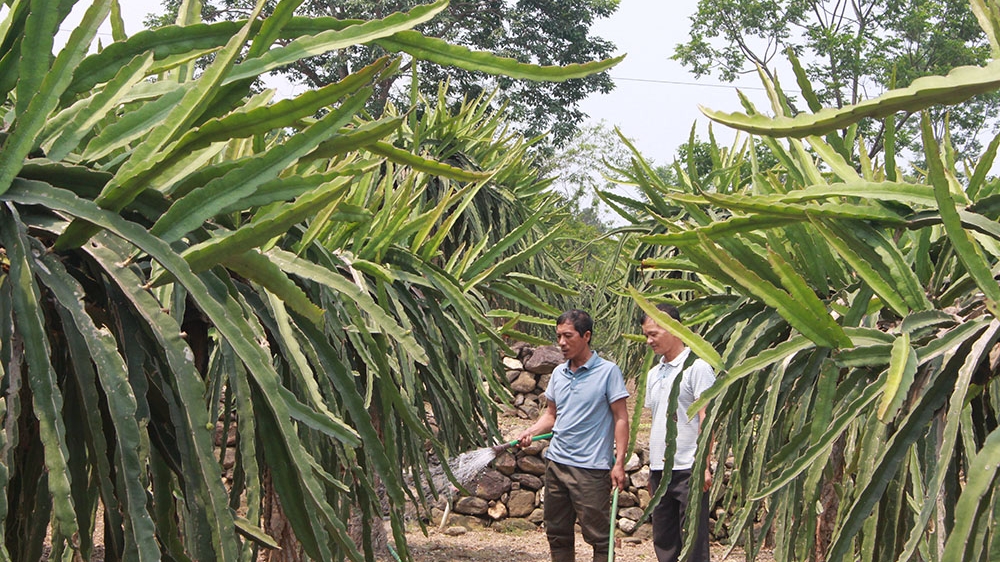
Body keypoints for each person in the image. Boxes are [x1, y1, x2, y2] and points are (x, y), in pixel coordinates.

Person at [515, 309, 630, 562]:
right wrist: (531, 431)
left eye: (568, 336)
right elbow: (551, 415)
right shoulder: (558, 373)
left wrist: (619, 462)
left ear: (586, 336)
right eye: (558, 337)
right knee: (557, 533)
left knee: (599, 537)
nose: (561, 343)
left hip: (590, 469)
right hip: (556, 464)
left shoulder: (608, 372)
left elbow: (621, 418)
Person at [642, 303, 716, 562]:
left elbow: (706, 417)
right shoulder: (654, 373)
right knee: (664, 540)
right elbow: (656, 419)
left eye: (653, 334)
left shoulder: (698, 368)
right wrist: (652, 467)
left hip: (689, 469)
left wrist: (704, 466)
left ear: (674, 328)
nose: (649, 340)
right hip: (660, 471)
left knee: (693, 542)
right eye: (646, 335)